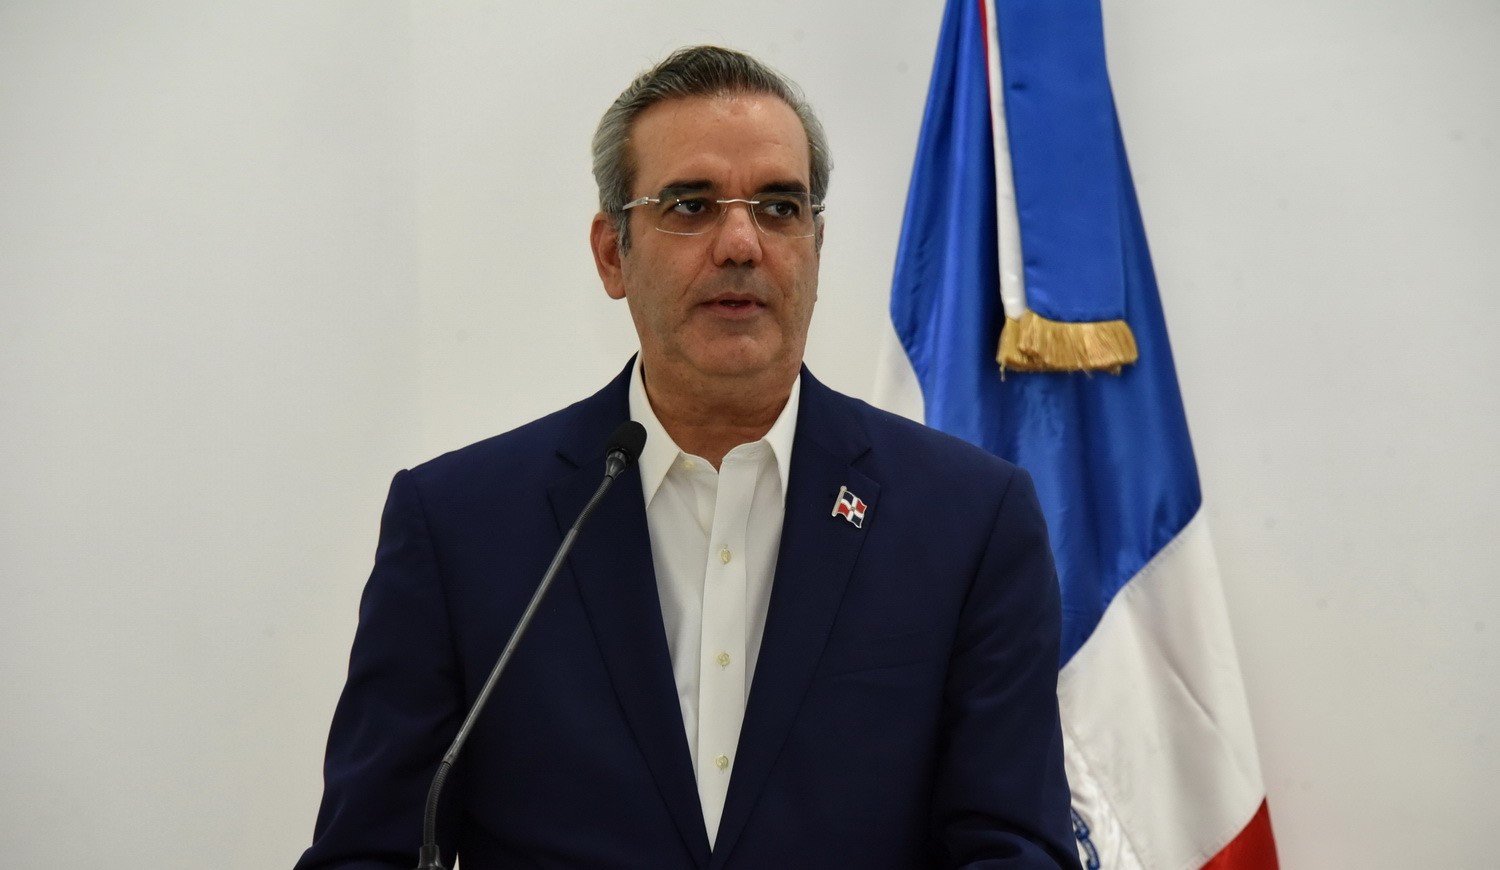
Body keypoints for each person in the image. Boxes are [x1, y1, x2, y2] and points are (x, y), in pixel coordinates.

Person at [296, 45, 1081, 870]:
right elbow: (368, 852)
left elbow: (1014, 850)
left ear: (816, 247)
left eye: (779, 207)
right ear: (613, 253)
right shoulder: (460, 527)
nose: (741, 243)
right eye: (691, 205)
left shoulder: (968, 522)